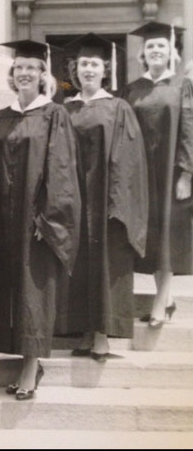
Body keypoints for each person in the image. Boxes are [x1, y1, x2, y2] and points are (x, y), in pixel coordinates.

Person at [0, 39, 81, 398]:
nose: (24, 73)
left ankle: (31, 366)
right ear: (12, 74)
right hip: (5, 221)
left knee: (34, 292)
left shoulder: (55, 114)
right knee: (11, 289)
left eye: (31, 68)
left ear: (42, 75)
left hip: (35, 221)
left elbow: (62, 170)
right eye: (19, 67)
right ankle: (23, 358)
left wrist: (48, 219)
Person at [55, 33, 148, 361]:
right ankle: (83, 332)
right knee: (77, 266)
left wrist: (116, 201)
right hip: (73, 200)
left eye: (94, 64)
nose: (89, 70)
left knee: (104, 265)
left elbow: (128, 159)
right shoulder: (64, 109)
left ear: (105, 69)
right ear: (74, 70)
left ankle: (102, 337)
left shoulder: (118, 107)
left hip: (104, 201)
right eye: (83, 64)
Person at [123, 21, 193, 327]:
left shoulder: (182, 87)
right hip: (142, 173)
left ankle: (161, 302)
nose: (155, 51)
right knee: (152, 235)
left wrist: (186, 173)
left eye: (161, 46)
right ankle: (166, 299)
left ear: (171, 52)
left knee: (169, 234)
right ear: (142, 53)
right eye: (150, 46)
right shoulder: (133, 89)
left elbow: (189, 131)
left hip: (170, 172)